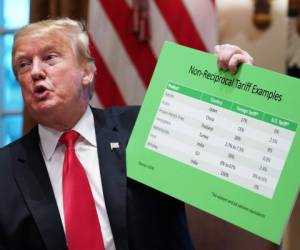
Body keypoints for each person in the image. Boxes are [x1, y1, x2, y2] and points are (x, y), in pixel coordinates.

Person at [0, 18, 253, 250]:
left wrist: (237, 86)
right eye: (23, 64)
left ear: (86, 72)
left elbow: (232, 157)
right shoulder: (5, 169)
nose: (34, 72)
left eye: (50, 58)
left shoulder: (145, 127)